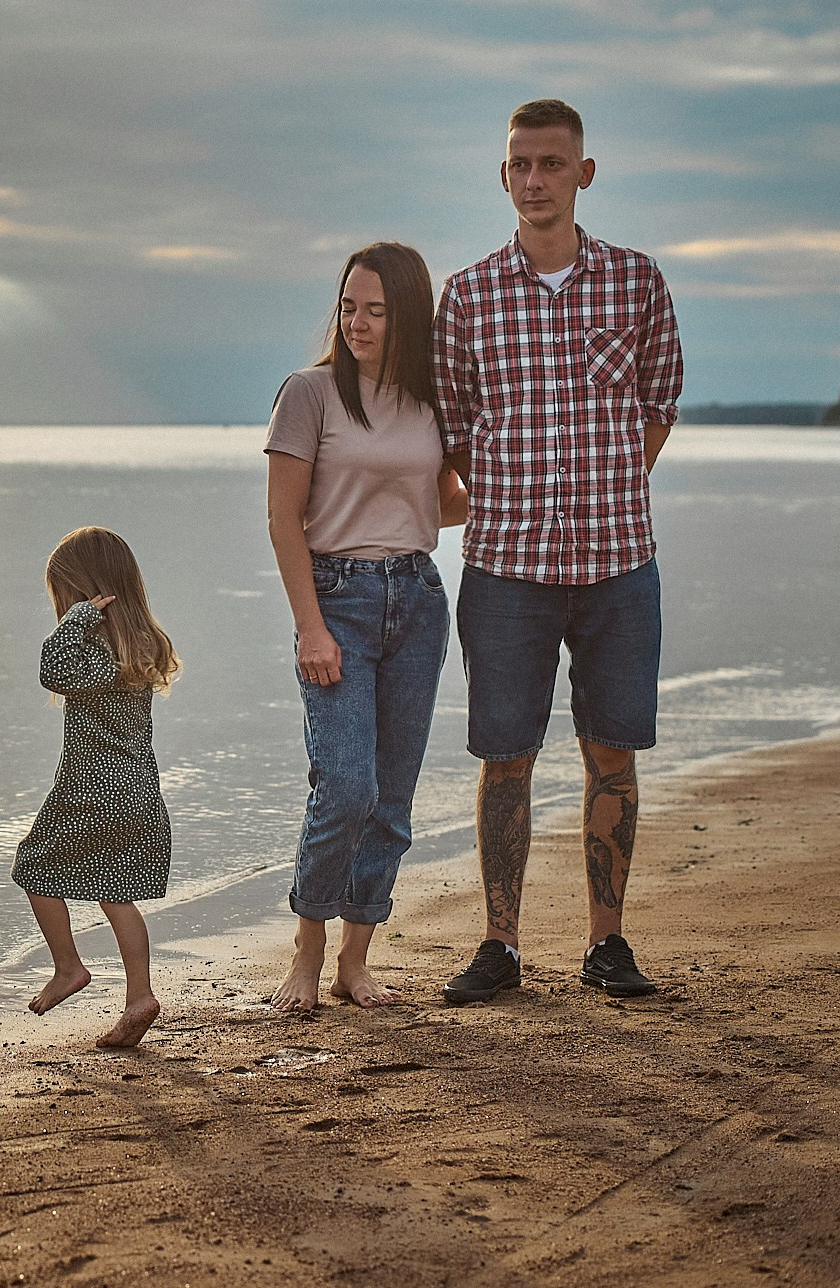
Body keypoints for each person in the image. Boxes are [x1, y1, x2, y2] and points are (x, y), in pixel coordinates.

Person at [431, 98, 683, 1003]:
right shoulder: (466, 296)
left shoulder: (637, 282)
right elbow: (454, 430)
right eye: (519, 166)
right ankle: (500, 944)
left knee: (612, 752)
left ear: (583, 172)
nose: (534, 180)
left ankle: (606, 944)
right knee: (507, 756)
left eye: (551, 163)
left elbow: (658, 408)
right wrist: (517, 496)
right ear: (504, 177)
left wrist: (605, 487)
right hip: (506, 569)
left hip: (619, 563)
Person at [263, 241, 469, 1010]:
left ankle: (356, 958)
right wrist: (309, 627)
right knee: (344, 785)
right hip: (337, 597)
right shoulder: (309, 394)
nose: (358, 322)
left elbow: (440, 500)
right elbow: (285, 518)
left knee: (391, 796)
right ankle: (307, 951)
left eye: (377, 310)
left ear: (408, 315)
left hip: (416, 598)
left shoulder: (431, 400)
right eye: (350, 306)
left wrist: (516, 493)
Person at [13, 526, 180, 1047]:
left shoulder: (94, 650)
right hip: (139, 789)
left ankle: (68, 967)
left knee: (35, 867)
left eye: (63, 598)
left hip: (91, 788)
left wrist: (76, 623)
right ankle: (140, 995)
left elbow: (53, 671)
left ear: (81, 595)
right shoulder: (141, 644)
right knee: (116, 892)